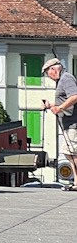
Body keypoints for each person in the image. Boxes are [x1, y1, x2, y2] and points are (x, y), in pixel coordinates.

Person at [45, 57, 77, 188]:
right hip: (68, 123)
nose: (49, 77)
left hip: (73, 123)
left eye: (48, 74)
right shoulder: (62, 80)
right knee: (69, 151)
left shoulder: (66, 78)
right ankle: (76, 181)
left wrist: (60, 108)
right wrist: (52, 105)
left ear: (53, 69)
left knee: (72, 151)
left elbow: (74, 96)